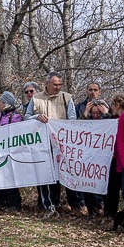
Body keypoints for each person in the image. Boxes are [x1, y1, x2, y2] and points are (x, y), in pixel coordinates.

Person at [26, 72, 77, 217]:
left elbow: (72, 118)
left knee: (60, 173)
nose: (58, 87)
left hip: (61, 143)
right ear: (47, 83)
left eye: (60, 84)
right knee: (44, 174)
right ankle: (47, 204)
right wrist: (37, 117)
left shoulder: (67, 97)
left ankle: (62, 203)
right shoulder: (36, 98)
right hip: (42, 143)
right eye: (55, 84)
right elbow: (27, 116)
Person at [0, 91, 23, 211]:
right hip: (1, 150)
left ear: (6, 103)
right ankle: (4, 202)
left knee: (12, 178)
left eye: (0, 102)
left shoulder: (16, 116)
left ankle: (15, 203)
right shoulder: (1, 115)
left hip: (12, 151)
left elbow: (16, 131)